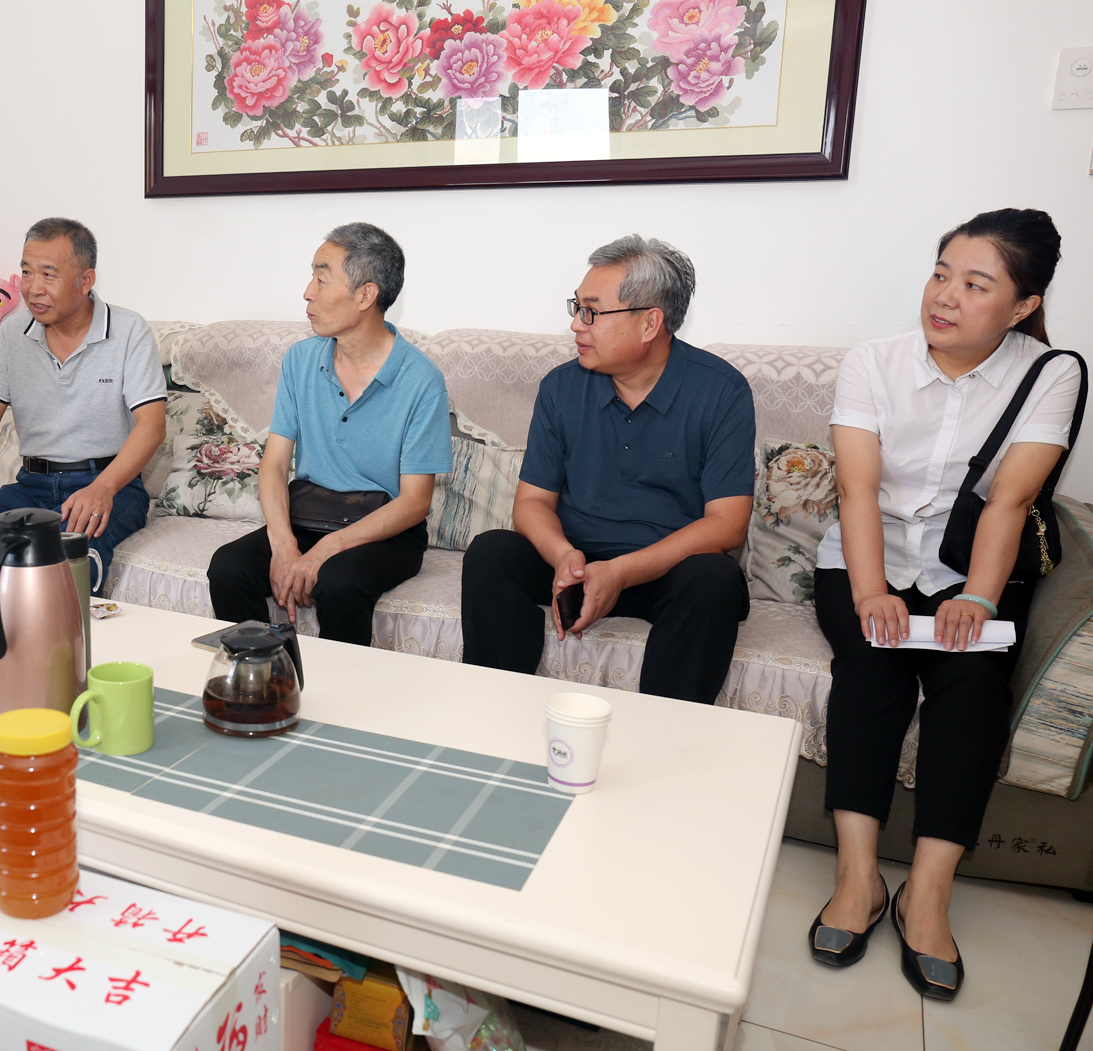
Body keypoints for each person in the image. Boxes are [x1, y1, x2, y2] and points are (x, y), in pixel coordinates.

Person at [806, 209, 1082, 1000]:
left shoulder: (1051, 372)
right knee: (871, 663)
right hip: (866, 560)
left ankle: (926, 892)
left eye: (975, 284)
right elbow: (857, 487)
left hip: (970, 568)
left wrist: (980, 596)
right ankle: (858, 878)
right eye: (940, 274)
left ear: (1024, 304)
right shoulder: (875, 361)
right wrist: (872, 593)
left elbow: (1010, 501)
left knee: (972, 682)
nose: (945, 296)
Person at [460, 235, 753, 704]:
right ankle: (498, 710)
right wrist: (563, 556)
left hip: (668, 568)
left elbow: (727, 524)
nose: (576, 323)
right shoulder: (561, 387)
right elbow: (532, 502)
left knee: (713, 580)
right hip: (579, 560)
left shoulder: (721, 392)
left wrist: (619, 572)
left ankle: (664, 732)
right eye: (577, 307)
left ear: (649, 323)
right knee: (491, 552)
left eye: (591, 312)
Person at [206, 223, 452, 646]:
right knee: (229, 568)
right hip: (310, 514)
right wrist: (283, 544)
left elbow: (415, 502)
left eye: (321, 279)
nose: (308, 292)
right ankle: (270, 673)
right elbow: (274, 465)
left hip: (383, 531)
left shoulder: (421, 380)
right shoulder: (301, 360)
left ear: (365, 295)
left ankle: (341, 687)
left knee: (338, 583)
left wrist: (324, 551)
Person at [0, 218, 165, 586]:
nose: (33, 288)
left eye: (48, 274)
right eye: (26, 272)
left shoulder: (128, 330)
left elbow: (151, 426)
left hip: (109, 483)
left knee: (65, 559)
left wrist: (103, 489)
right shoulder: (12, 333)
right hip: (31, 487)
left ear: (85, 280)